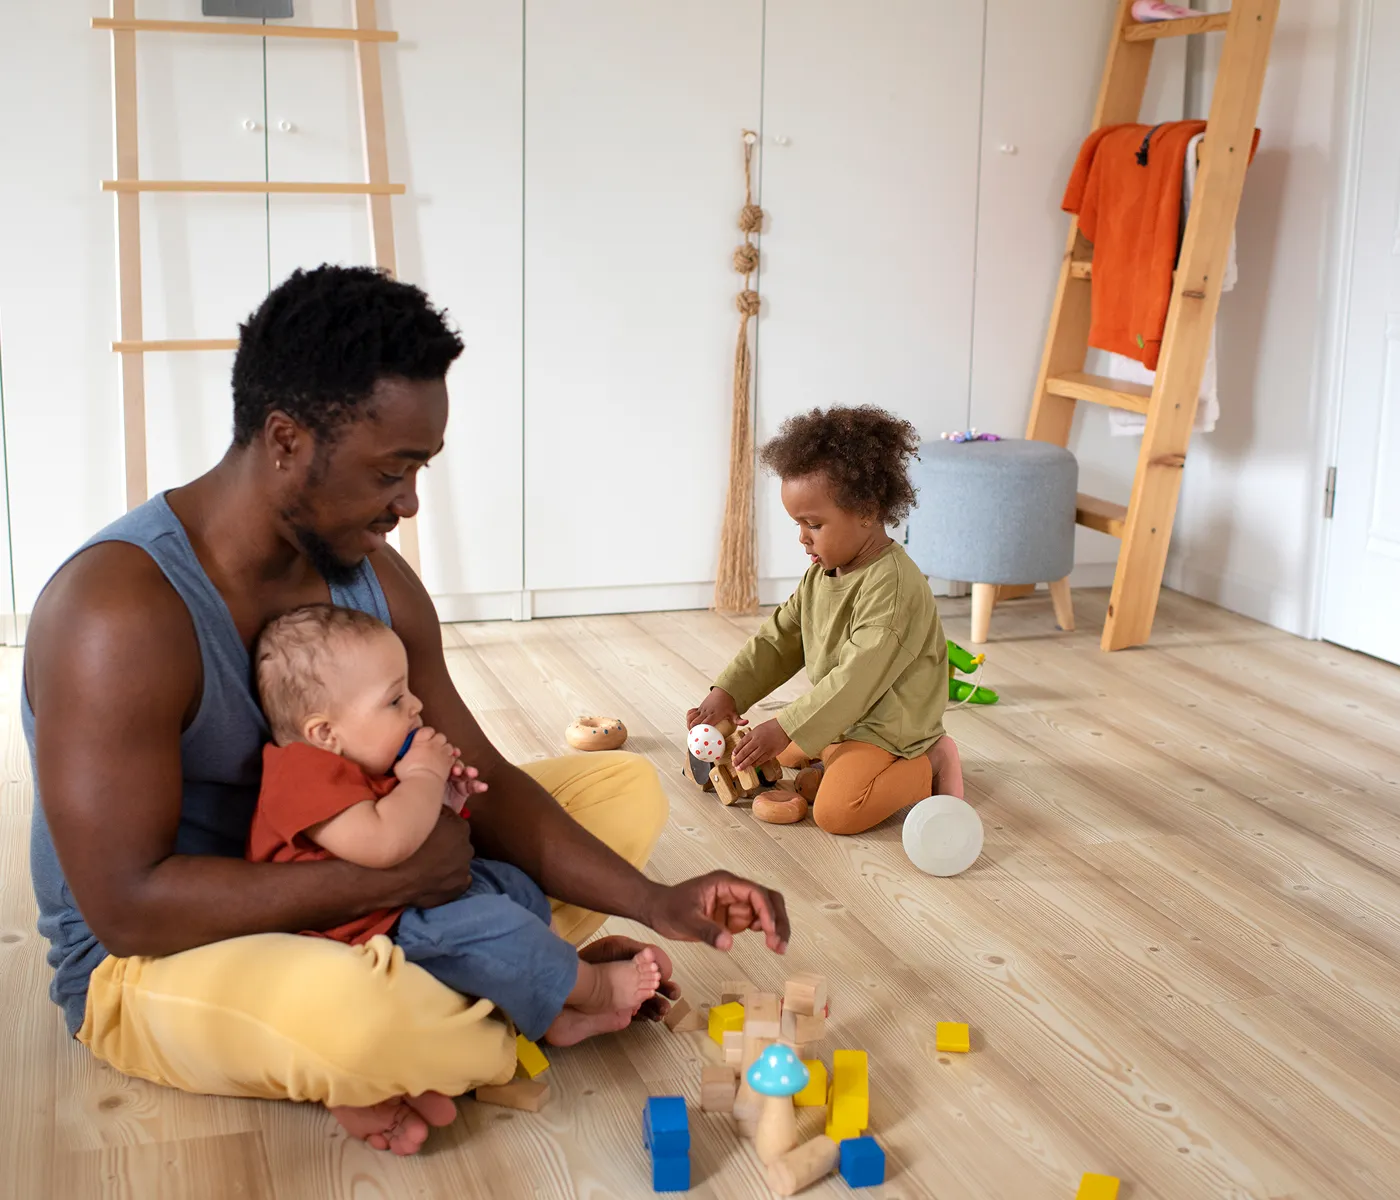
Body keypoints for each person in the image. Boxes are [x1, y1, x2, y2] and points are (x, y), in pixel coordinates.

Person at [23, 264, 789, 1156]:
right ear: (285, 440)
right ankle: (505, 996)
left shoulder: (373, 581)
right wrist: (389, 879)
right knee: (363, 1021)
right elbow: (128, 908)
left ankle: (476, 990)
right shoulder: (118, 611)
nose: (410, 503)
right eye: (393, 471)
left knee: (622, 791)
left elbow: (488, 779)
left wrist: (660, 903)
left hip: (362, 886)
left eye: (419, 469)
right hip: (165, 954)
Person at [250, 603, 664, 1046]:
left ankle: (556, 1003)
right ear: (325, 734)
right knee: (496, 925)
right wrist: (423, 777)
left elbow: (417, 832)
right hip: (366, 932)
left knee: (512, 884)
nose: (416, 706)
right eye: (394, 700)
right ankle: (593, 989)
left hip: (412, 902)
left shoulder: (363, 758)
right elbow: (383, 843)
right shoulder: (300, 772)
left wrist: (446, 799)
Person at [687, 405, 964, 835]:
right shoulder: (825, 571)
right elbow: (780, 638)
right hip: (848, 717)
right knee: (780, 756)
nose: (802, 537)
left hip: (890, 726)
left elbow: (856, 680)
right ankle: (833, 757)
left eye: (813, 524)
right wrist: (729, 691)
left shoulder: (891, 588)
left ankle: (931, 760)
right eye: (798, 523)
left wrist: (784, 726)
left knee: (838, 814)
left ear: (868, 511)